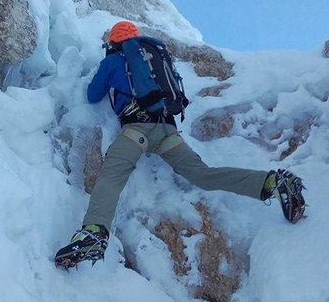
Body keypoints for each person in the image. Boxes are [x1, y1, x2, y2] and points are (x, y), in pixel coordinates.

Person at [54, 21, 306, 269]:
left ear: (113, 43)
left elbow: (92, 95)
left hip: (137, 130)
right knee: (203, 175)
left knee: (111, 176)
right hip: (168, 131)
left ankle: (93, 234)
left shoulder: (114, 60)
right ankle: (272, 182)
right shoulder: (156, 60)